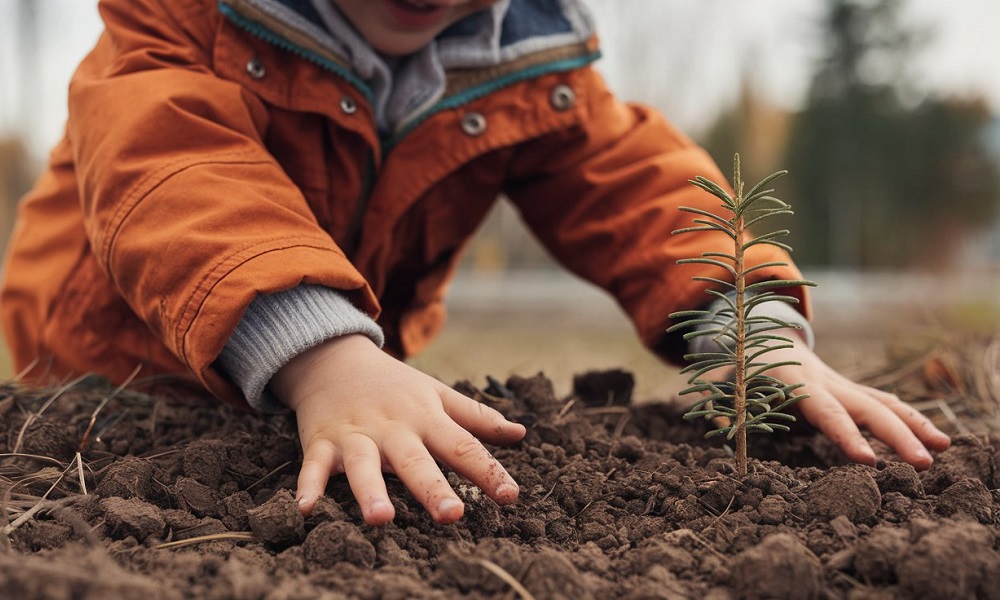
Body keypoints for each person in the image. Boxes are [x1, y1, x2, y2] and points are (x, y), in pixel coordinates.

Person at [0, 0, 950, 526]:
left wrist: (749, 328)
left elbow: (634, 187)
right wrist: (324, 354)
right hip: (108, 383)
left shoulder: (522, 57)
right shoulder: (179, 20)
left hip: (346, 385)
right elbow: (173, 172)